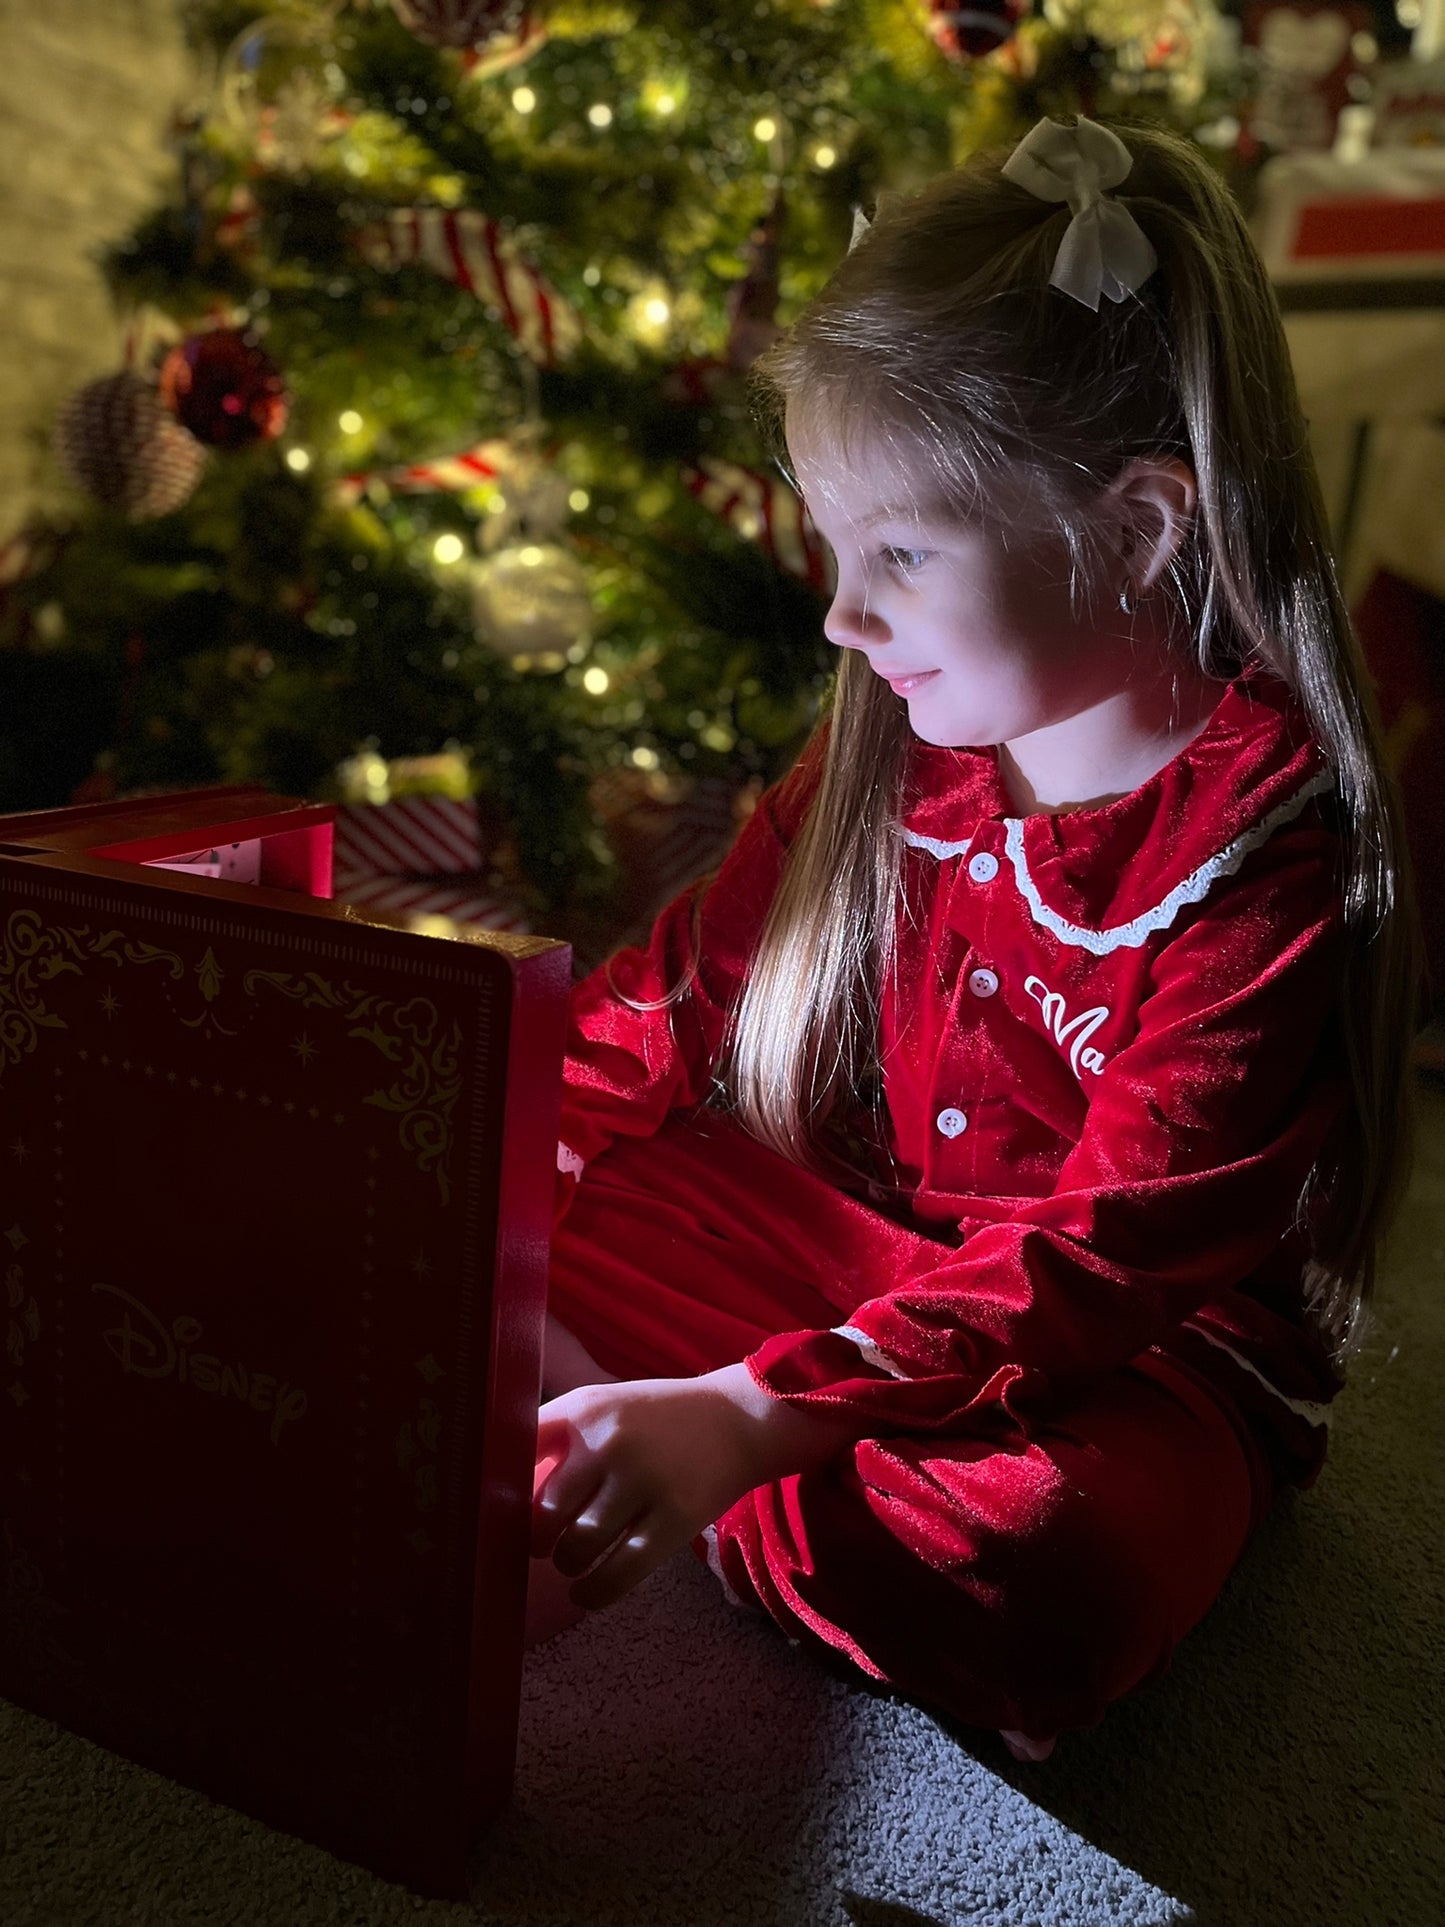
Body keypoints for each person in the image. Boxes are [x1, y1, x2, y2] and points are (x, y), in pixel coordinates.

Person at [527, 113, 1422, 1762]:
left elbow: (1100, 1270)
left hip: (1127, 1354)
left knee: (1034, 1575)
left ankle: (693, 1461)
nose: (839, 617)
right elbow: (667, 1012)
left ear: (1141, 532)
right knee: (488, 1256)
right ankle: (672, 1448)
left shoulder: (1258, 859)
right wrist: (501, 1175)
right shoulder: (885, 758)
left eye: (901, 555)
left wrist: (743, 1415)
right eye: (832, 546)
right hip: (834, 1249)